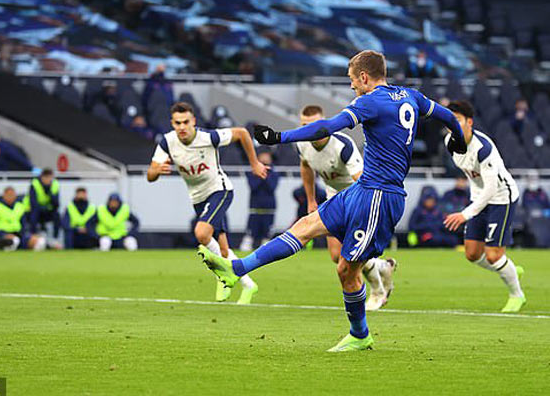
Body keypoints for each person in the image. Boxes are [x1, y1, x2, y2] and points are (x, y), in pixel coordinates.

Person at [198, 50, 466, 352]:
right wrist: (458, 137)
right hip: (363, 189)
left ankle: (361, 333)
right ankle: (237, 270)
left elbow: (326, 128)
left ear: (364, 77)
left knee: (345, 270)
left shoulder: (368, 101)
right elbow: (445, 115)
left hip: (380, 195)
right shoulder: (410, 96)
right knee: (305, 225)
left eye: (352, 80)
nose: (352, 86)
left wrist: (279, 137)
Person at [148, 102, 269, 305]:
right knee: (222, 250)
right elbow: (150, 174)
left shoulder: (208, 137)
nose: (182, 127)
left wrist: (254, 163)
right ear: (172, 123)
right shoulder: (167, 142)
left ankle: (222, 275)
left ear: (193, 121)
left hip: (220, 191)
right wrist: (156, 171)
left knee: (201, 233)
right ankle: (248, 285)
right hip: (197, 198)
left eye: (186, 122)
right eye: (177, 123)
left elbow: (242, 133)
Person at [295, 104, 396, 311]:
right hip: (334, 197)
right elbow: (305, 166)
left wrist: (369, 206)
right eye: (304, 125)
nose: (309, 130)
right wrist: (311, 200)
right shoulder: (302, 144)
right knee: (336, 255)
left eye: (313, 125)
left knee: (351, 255)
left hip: (356, 196)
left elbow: (362, 179)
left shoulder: (342, 145)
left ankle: (378, 292)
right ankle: (382, 267)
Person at [443, 101, 525, 313]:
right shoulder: (449, 142)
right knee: (471, 253)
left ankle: (517, 295)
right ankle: (509, 269)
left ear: (469, 122)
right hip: (479, 198)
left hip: (501, 198)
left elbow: (491, 188)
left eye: (457, 120)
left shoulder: (483, 149)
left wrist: (465, 214)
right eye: (450, 120)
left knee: (493, 255)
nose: (452, 125)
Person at [239, 150, 279, 252]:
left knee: (267, 235)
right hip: (255, 208)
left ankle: (265, 251)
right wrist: (259, 173)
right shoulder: (252, 172)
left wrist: (264, 174)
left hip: (269, 208)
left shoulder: (274, 174)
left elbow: (271, 187)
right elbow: (253, 187)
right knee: (250, 233)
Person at [24, 169, 62, 247]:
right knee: (34, 214)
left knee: (56, 215)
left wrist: (50, 193)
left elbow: (56, 204)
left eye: (50, 178)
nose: (48, 180)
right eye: (46, 178)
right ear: (42, 177)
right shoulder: (35, 184)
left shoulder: (55, 184)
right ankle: (33, 237)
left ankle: (55, 239)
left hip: (47, 210)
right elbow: (33, 202)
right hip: (33, 210)